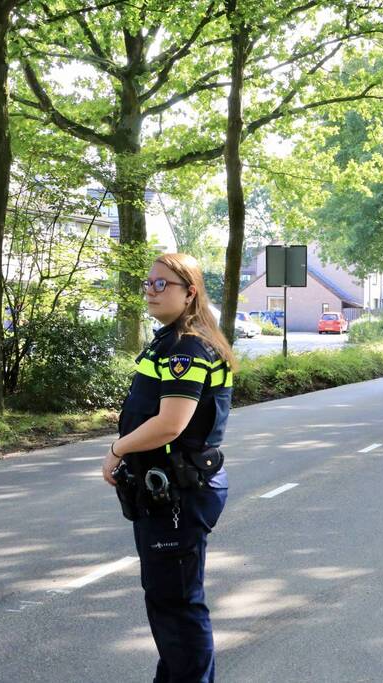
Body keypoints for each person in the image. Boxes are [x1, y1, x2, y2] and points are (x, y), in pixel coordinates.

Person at [101, 253, 235, 683]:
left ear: (190, 292)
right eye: (149, 283)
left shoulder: (187, 348)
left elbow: (170, 423)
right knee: (169, 604)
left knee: (177, 606)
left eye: (163, 284)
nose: (152, 290)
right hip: (168, 490)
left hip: (178, 494)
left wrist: (117, 449)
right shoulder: (171, 340)